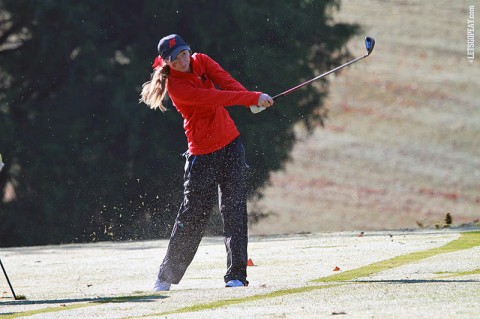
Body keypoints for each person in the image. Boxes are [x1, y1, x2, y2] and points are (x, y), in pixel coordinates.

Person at [139, 34, 273, 291]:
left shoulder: (202, 61)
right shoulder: (177, 87)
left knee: (235, 211)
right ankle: (166, 277)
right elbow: (214, 98)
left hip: (231, 145)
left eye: (183, 53)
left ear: (188, 50)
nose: (182, 60)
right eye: (174, 58)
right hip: (202, 154)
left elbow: (227, 82)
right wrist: (252, 98)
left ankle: (236, 276)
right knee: (193, 217)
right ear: (166, 62)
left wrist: (250, 100)